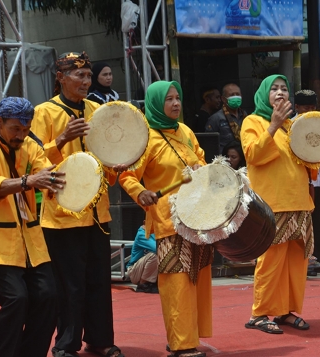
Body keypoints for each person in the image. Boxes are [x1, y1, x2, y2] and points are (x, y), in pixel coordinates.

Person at [32, 51, 125, 357]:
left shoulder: (97, 109)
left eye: (88, 76)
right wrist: (60, 140)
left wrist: (119, 163)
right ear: (60, 78)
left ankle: (100, 340)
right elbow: (33, 162)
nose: (86, 81)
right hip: (62, 214)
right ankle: (66, 344)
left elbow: (106, 154)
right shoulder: (44, 112)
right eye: (79, 75)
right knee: (69, 284)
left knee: (99, 280)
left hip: (97, 212)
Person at [120, 80, 211, 357]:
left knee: (197, 278)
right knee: (177, 282)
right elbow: (127, 175)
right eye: (168, 99)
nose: (175, 103)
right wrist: (141, 192)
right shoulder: (146, 137)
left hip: (198, 216)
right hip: (169, 220)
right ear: (155, 104)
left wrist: (202, 168)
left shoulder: (184, 131)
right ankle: (181, 344)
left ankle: (186, 337)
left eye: (177, 98)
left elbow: (202, 162)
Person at [0, 97, 60, 357]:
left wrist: (57, 181)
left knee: (49, 296)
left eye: (26, 129)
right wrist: (31, 180)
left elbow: (45, 172)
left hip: (30, 237)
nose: (21, 135)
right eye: (15, 129)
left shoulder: (30, 144)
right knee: (16, 300)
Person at [241, 74, 313, 334]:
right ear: (264, 95)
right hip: (272, 203)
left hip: (299, 202)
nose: (280, 92)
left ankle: (285, 310)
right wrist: (272, 125)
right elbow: (253, 155)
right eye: (274, 89)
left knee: (296, 260)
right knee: (271, 260)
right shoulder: (253, 121)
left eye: (284, 88)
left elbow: (307, 162)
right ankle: (259, 313)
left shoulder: (293, 126)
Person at [294, 90, 320, 274]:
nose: (310, 110)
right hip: (301, 180)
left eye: (312, 107)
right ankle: (306, 259)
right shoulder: (291, 126)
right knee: (303, 222)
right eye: (305, 107)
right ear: (296, 107)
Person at [206, 83, 247, 152]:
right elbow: (209, 144)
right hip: (225, 159)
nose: (235, 97)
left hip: (244, 157)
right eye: (232, 95)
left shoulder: (244, 115)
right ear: (223, 99)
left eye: (237, 94)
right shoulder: (216, 118)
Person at [127, 223, 158, 293]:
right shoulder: (142, 233)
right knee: (155, 255)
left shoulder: (157, 232)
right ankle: (144, 284)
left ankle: (153, 283)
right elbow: (157, 248)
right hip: (135, 271)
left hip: (145, 268)